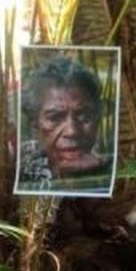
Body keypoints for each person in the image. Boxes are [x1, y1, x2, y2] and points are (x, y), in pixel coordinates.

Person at [18, 56, 111, 192]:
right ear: (35, 124)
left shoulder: (119, 174)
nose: (72, 131)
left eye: (84, 116)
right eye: (55, 118)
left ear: (97, 119)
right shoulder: (22, 171)